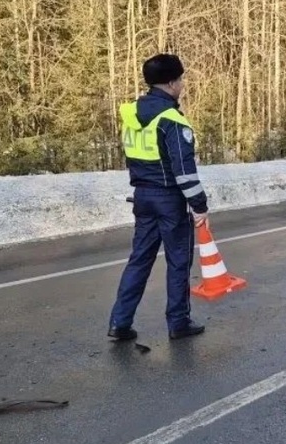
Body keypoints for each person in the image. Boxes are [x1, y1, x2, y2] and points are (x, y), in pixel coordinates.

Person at [108, 54, 208, 341]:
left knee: (139, 259)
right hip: (169, 199)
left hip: (142, 196)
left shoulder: (132, 115)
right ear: (171, 82)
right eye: (181, 79)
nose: (183, 84)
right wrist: (199, 205)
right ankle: (178, 322)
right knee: (178, 261)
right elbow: (184, 170)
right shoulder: (171, 120)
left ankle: (120, 322)